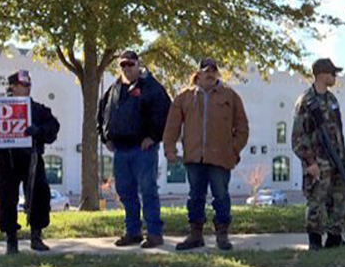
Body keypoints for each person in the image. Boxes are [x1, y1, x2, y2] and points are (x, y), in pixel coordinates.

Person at [163, 58, 249, 251]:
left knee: (221, 196)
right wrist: (169, 149)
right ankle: (195, 235)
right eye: (206, 70)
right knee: (195, 196)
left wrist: (233, 149)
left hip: (221, 157)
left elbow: (242, 127)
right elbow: (172, 126)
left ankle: (222, 235)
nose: (210, 74)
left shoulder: (230, 96)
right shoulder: (184, 97)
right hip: (194, 157)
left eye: (214, 70)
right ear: (198, 74)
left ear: (218, 74)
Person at [97, 51, 171, 248]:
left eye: (130, 64)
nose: (127, 68)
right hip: (120, 150)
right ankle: (133, 232)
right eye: (123, 65)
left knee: (148, 190)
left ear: (138, 64)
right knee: (125, 192)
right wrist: (105, 138)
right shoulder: (114, 88)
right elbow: (102, 113)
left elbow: (165, 113)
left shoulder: (152, 88)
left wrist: (153, 137)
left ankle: (154, 233)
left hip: (143, 149)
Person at [0, 70, 60, 254]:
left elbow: (53, 126)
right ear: (12, 87)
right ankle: (11, 239)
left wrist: (38, 130)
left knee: (39, 195)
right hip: (7, 159)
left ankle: (36, 236)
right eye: (23, 85)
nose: (27, 88)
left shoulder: (38, 109)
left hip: (32, 157)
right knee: (5, 198)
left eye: (29, 84)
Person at [292, 58, 345, 251]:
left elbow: (338, 132)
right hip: (318, 160)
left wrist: (343, 157)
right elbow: (298, 136)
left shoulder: (332, 100)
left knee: (340, 197)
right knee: (316, 200)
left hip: (337, 160)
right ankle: (315, 240)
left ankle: (334, 239)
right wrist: (310, 162)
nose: (335, 76)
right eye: (332, 72)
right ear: (322, 74)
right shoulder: (306, 101)